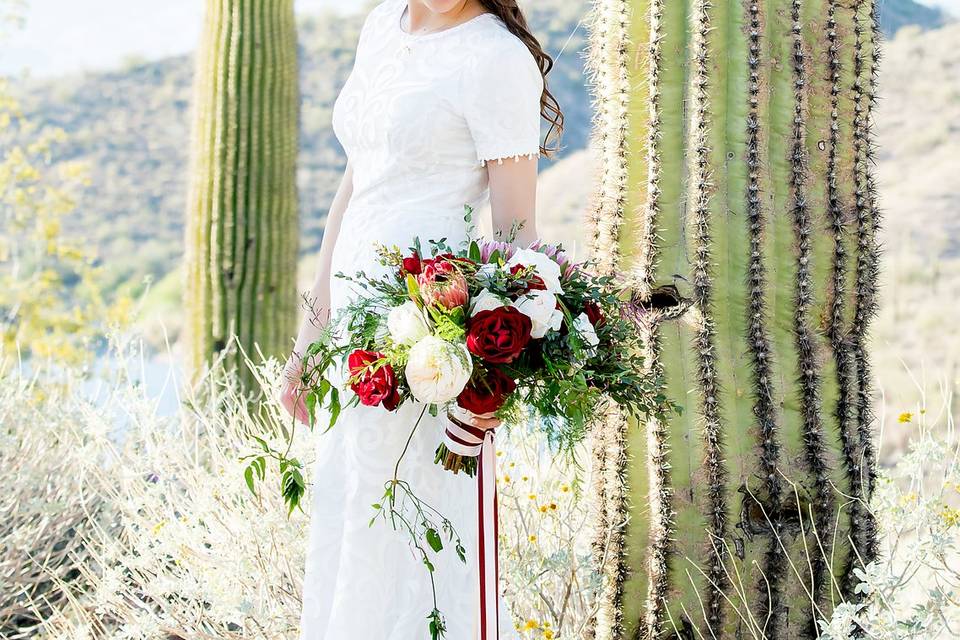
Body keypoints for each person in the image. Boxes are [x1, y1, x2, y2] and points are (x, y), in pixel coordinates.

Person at [279, 0, 563, 637]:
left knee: (416, 530)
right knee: (354, 514)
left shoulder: (496, 57)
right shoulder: (384, 23)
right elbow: (356, 187)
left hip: (429, 335)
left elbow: (517, 235)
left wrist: (494, 371)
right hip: (354, 333)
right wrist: (312, 333)